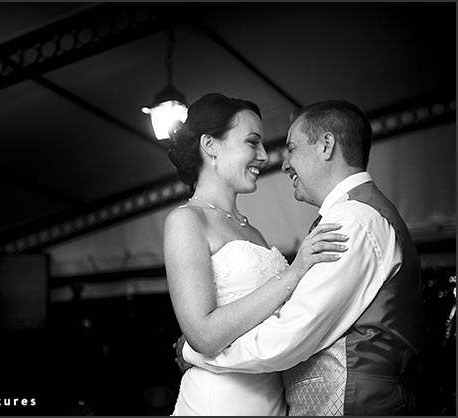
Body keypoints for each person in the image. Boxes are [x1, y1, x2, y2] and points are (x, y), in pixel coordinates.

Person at [176, 99, 425, 415]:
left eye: (291, 148)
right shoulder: (350, 216)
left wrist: (198, 352)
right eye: (253, 142)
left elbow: (289, 335)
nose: (279, 162)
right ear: (209, 146)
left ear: (326, 146)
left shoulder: (354, 220)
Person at [164, 93, 349, 415]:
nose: (264, 156)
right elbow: (204, 337)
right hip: (221, 403)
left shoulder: (251, 230)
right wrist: (294, 272)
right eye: (252, 142)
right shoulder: (186, 220)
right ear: (210, 145)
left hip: (273, 397)